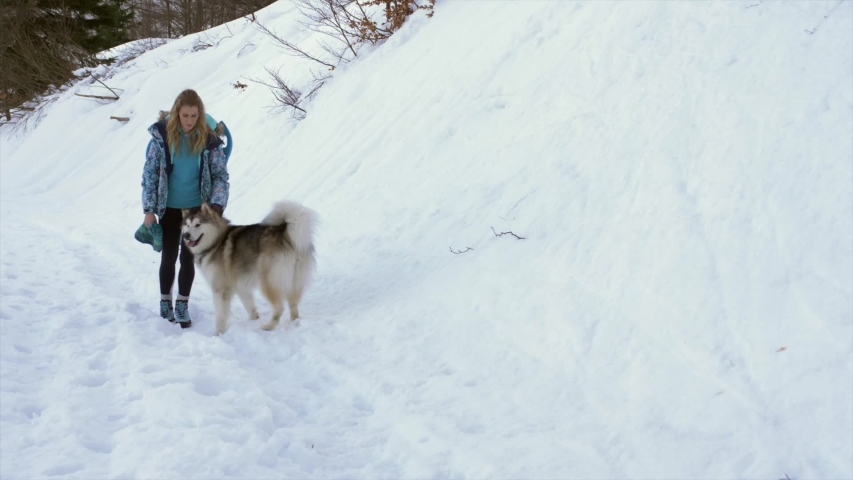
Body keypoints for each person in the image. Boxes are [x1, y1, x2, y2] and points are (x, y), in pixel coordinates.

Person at [141, 89, 231, 328]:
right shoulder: (162, 138)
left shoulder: (209, 141)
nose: (189, 121)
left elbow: (220, 176)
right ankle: (165, 302)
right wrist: (149, 210)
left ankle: (182, 304)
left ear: (200, 114)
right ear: (176, 113)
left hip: (195, 210)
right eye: (185, 115)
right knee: (169, 255)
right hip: (169, 207)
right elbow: (150, 174)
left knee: (189, 258)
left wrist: (216, 206)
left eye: (194, 115)